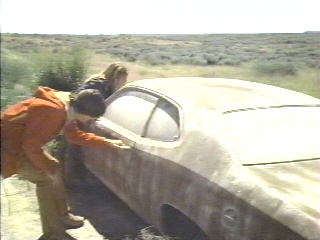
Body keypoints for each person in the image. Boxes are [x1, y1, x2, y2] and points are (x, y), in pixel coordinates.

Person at [1, 87, 129, 240]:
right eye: (91, 118)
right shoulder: (53, 111)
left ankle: (62, 216)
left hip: (18, 144)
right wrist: (45, 168)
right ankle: (54, 234)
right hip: (8, 148)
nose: (91, 121)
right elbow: (30, 145)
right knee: (46, 180)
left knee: (54, 168)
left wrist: (106, 142)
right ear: (84, 112)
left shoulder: (66, 108)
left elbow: (73, 135)